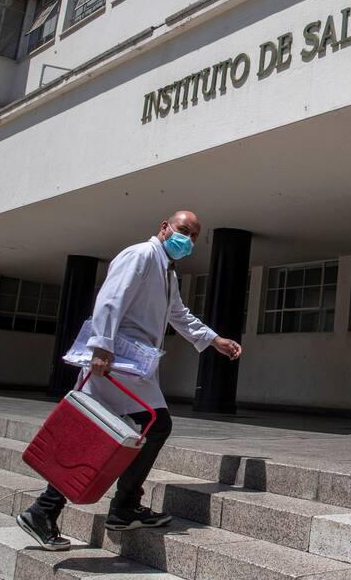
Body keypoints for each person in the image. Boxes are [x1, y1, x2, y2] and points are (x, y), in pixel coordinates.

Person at [16, 211, 242, 550]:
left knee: (101, 434)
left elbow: (178, 314)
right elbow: (110, 299)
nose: (188, 240)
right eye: (184, 231)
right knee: (151, 424)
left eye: (194, 236)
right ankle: (121, 506)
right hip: (115, 361)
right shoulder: (140, 255)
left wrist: (214, 340)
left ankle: (52, 510)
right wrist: (102, 347)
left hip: (132, 365)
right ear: (165, 228)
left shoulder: (167, 271)